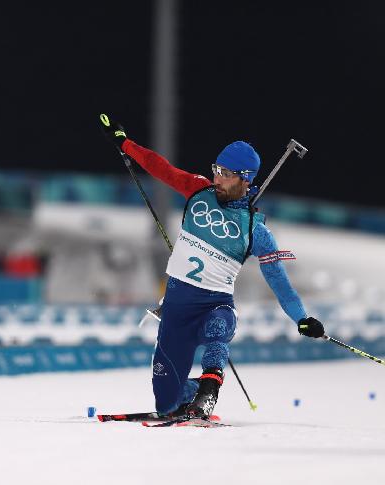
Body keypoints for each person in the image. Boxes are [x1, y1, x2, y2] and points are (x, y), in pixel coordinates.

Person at [101, 115, 326, 419]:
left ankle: (209, 392)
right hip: (177, 311)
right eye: (216, 170)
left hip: (215, 305)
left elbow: (280, 283)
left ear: (245, 180)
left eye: (226, 174)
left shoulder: (256, 232)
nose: (218, 178)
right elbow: (161, 168)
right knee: (165, 404)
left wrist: (302, 318)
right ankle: (192, 392)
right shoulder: (198, 190)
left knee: (217, 327)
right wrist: (126, 144)